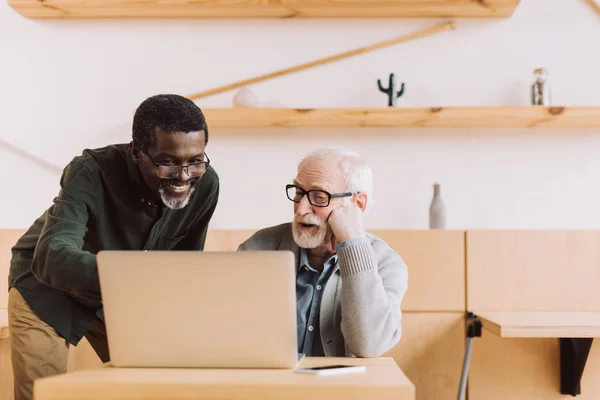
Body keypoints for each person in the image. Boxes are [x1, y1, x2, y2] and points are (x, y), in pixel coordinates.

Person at [7, 94, 220, 400]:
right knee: (43, 395)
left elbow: (183, 267)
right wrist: (133, 277)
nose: (184, 177)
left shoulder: (206, 185)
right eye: (168, 163)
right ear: (136, 151)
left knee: (162, 387)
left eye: (195, 161)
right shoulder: (90, 171)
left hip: (121, 296)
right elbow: (51, 257)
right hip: (44, 288)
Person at [237, 147, 408, 358]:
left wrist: (352, 243)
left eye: (319, 197)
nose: (301, 209)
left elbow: (370, 345)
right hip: (269, 387)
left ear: (357, 204)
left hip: (345, 390)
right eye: (299, 193)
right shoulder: (259, 249)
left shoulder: (386, 263)